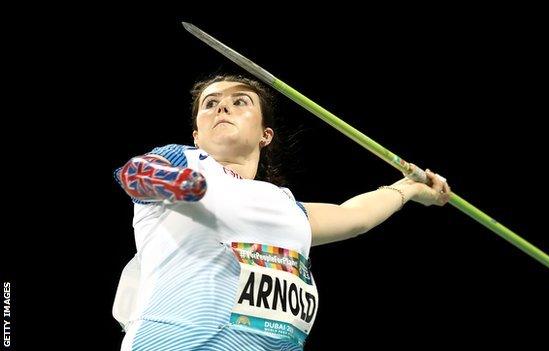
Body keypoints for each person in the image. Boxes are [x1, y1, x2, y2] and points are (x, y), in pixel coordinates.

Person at [113, 74, 451, 351]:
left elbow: (355, 216)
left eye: (239, 101)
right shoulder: (183, 159)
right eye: (211, 103)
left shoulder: (286, 206)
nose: (223, 107)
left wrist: (409, 188)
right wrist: (175, 182)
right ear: (196, 136)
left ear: (265, 135)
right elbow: (135, 173)